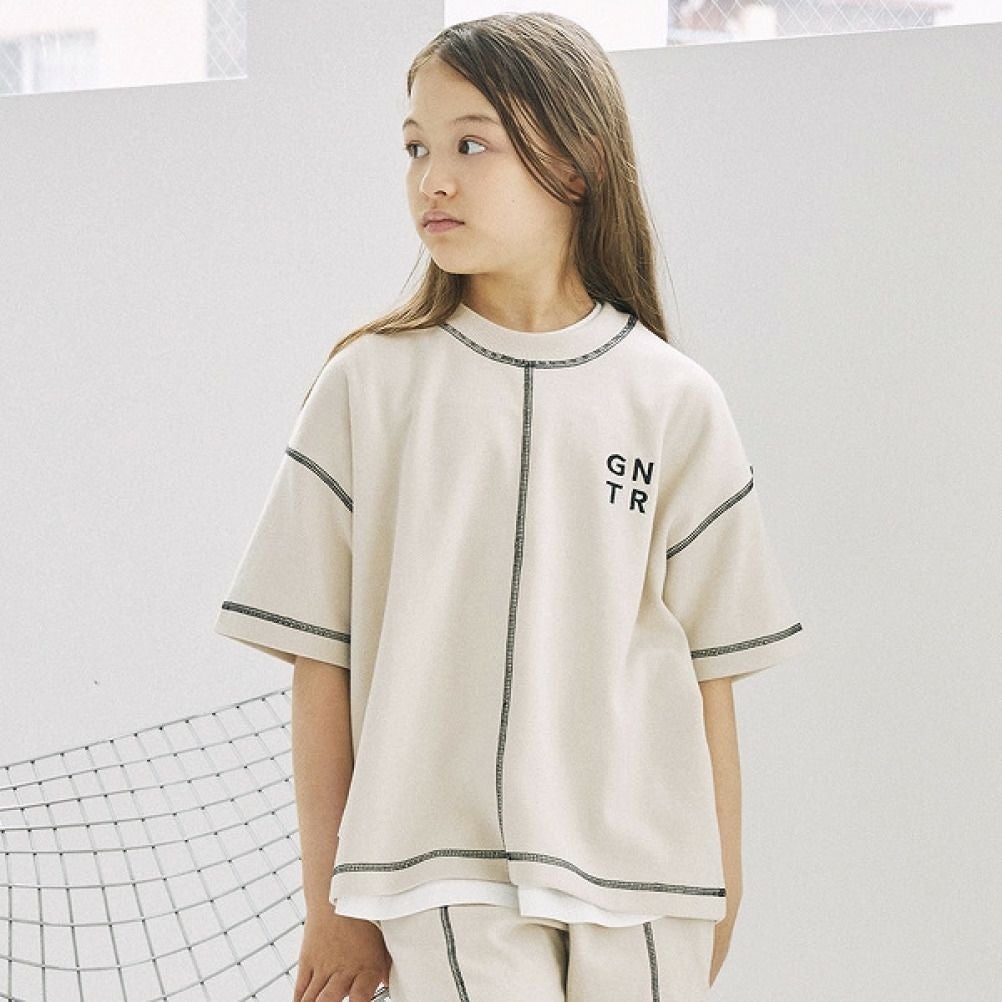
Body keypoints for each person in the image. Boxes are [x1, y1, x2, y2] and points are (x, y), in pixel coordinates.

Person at [213, 12, 808, 1002]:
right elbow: (321, 659)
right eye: (416, 148)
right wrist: (332, 903)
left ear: (575, 162)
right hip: (437, 869)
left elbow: (710, 674)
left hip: (647, 882)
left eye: (470, 145)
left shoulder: (674, 401)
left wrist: (723, 886)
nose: (432, 180)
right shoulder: (368, 387)